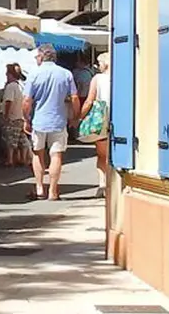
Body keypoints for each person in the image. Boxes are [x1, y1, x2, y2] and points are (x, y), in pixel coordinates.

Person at [26, 43, 79, 201]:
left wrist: (26, 118)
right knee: (56, 155)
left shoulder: (34, 74)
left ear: (42, 56)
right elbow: (75, 97)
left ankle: (40, 187)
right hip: (58, 120)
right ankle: (53, 191)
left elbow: (27, 100)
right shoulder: (66, 74)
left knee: (38, 153)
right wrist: (75, 117)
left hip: (39, 121)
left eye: (37, 56)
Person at [77, 53, 112, 183]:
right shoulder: (122, 76)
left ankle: (103, 183)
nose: (98, 66)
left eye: (99, 63)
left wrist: (80, 117)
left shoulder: (97, 78)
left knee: (102, 155)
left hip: (101, 120)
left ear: (106, 63)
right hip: (117, 120)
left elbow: (89, 101)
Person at [0, 63, 30, 167]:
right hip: (20, 116)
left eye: (7, 73)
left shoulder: (11, 86)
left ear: (10, 74)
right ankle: (23, 158)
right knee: (22, 139)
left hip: (12, 117)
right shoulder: (20, 86)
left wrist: (6, 115)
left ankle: (10, 160)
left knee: (10, 139)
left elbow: (9, 101)